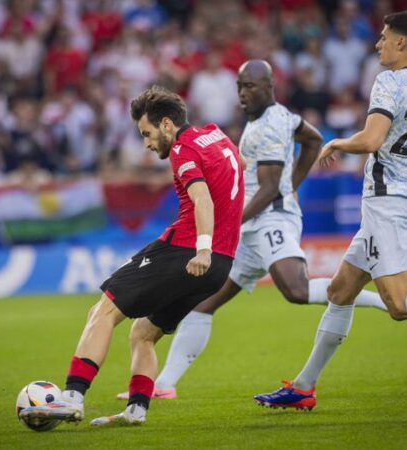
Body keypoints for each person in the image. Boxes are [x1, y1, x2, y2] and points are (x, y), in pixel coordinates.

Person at [117, 60, 388, 401]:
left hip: (269, 221)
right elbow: (313, 138)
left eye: (251, 86)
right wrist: (293, 185)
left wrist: (251, 209)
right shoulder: (277, 117)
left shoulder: (268, 127)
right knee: (203, 302)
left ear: (270, 85)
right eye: (240, 87)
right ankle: (165, 384)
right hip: (251, 226)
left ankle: (385, 302)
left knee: (296, 290)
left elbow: (270, 187)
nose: (243, 94)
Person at [19, 85, 245, 426]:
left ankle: (71, 398)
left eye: (148, 133)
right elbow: (241, 164)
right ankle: (136, 410)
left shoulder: (183, 149)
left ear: (167, 124)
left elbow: (203, 200)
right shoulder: (216, 135)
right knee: (143, 333)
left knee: (103, 310)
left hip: (186, 252)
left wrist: (201, 248)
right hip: (220, 264)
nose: (147, 143)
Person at [254, 11, 407, 411]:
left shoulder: (389, 81)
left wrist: (339, 143)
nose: (377, 44)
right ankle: (304, 387)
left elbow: (373, 139)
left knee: (399, 305)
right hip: (399, 198)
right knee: (340, 291)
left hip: (386, 202)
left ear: (401, 43)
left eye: (384, 37)